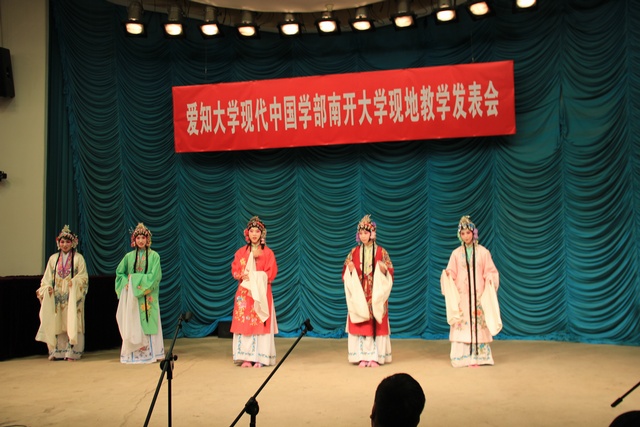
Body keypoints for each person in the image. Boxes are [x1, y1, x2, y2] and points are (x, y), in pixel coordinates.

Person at [441, 215, 500, 367]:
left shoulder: (483, 252)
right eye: (463, 233)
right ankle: (461, 357)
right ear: (459, 235)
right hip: (462, 297)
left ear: (474, 233)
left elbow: (491, 271)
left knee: (478, 324)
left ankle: (479, 357)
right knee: (462, 324)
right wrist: (448, 276)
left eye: (468, 233)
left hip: (478, 295)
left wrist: (490, 279)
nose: (466, 236)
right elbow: (452, 272)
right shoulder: (456, 254)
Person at [343, 215, 394, 367]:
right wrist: (350, 270)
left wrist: (384, 270)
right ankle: (362, 356)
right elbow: (345, 273)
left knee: (377, 321)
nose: (363, 236)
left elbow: (390, 271)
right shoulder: (354, 252)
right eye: (361, 233)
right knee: (361, 321)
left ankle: (376, 357)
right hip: (360, 293)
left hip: (375, 292)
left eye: (366, 233)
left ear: (372, 233)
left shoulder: (381, 252)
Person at [230, 216, 278, 368]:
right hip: (245, 294)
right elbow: (235, 270)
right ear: (247, 233)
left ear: (262, 234)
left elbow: (271, 274)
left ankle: (261, 358)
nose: (254, 234)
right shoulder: (240, 253)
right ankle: (245, 357)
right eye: (252, 231)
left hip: (261, 294)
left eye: (257, 231)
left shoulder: (268, 253)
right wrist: (242, 275)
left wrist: (255, 275)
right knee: (245, 324)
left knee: (260, 324)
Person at [35, 225, 89, 361]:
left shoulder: (78, 258)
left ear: (73, 243)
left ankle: (73, 351)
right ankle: (56, 351)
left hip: (72, 296)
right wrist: (47, 288)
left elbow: (83, 277)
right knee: (57, 322)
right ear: (58, 243)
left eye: (68, 242)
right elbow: (47, 278)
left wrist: (75, 282)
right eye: (62, 242)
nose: (65, 244)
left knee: (72, 320)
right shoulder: (53, 259)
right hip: (57, 296)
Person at [115, 222, 164, 364]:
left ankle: (153, 353)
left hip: (148, 296)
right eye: (138, 238)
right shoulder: (129, 257)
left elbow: (155, 276)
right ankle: (133, 354)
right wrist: (126, 283)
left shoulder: (154, 256)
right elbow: (120, 273)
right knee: (134, 320)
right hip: (133, 298)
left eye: (143, 237)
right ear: (134, 240)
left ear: (148, 239)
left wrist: (134, 280)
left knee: (149, 320)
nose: (141, 241)